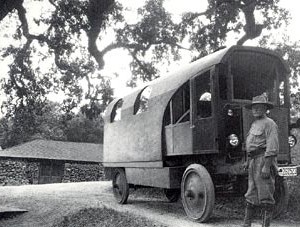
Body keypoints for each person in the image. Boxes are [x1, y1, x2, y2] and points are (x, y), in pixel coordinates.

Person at [242, 94, 279, 227]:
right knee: (251, 193)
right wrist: (247, 161)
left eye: (259, 107)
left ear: (265, 109)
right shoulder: (254, 124)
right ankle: (247, 224)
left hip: (263, 160)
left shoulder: (270, 124)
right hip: (253, 161)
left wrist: (266, 166)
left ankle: (266, 225)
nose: (255, 109)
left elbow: (272, 146)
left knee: (266, 194)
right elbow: (250, 144)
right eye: (254, 107)